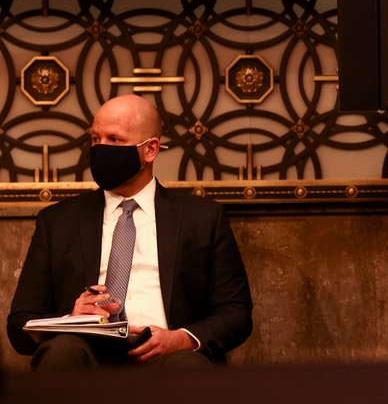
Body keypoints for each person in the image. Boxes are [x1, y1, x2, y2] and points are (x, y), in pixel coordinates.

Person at [7, 94, 253, 370]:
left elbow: (237, 313)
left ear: (150, 149)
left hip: (170, 360)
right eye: (95, 139)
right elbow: (19, 324)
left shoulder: (202, 218)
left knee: (187, 366)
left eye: (114, 140)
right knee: (63, 350)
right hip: (85, 360)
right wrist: (70, 321)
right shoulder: (57, 221)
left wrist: (181, 339)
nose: (100, 149)